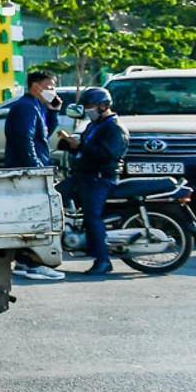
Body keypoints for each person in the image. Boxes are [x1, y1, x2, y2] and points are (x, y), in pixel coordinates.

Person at [3, 71, 68, 282]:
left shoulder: (35, 107)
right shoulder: (25, 108)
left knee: (33, 217)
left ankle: (26, 261)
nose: (53, 91)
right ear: (35, 86)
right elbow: (25, 139)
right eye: (49, 86)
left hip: (31, 169)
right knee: (36, 218)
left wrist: (53, 112)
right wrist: (36, 169)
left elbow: (43, 134)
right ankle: (33, 263)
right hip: (28, 172)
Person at [59, 86, 127, 277]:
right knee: (54, 197)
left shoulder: (114, 128)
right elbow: (86, 150)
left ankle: (102, 260)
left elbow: (108, 155)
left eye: (90, 106)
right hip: (84, 176)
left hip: (100, 179)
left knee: (92, 216)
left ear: (103, 106)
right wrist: (71, 145)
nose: (88, 110)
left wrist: (81, 145)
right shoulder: (93, 125)